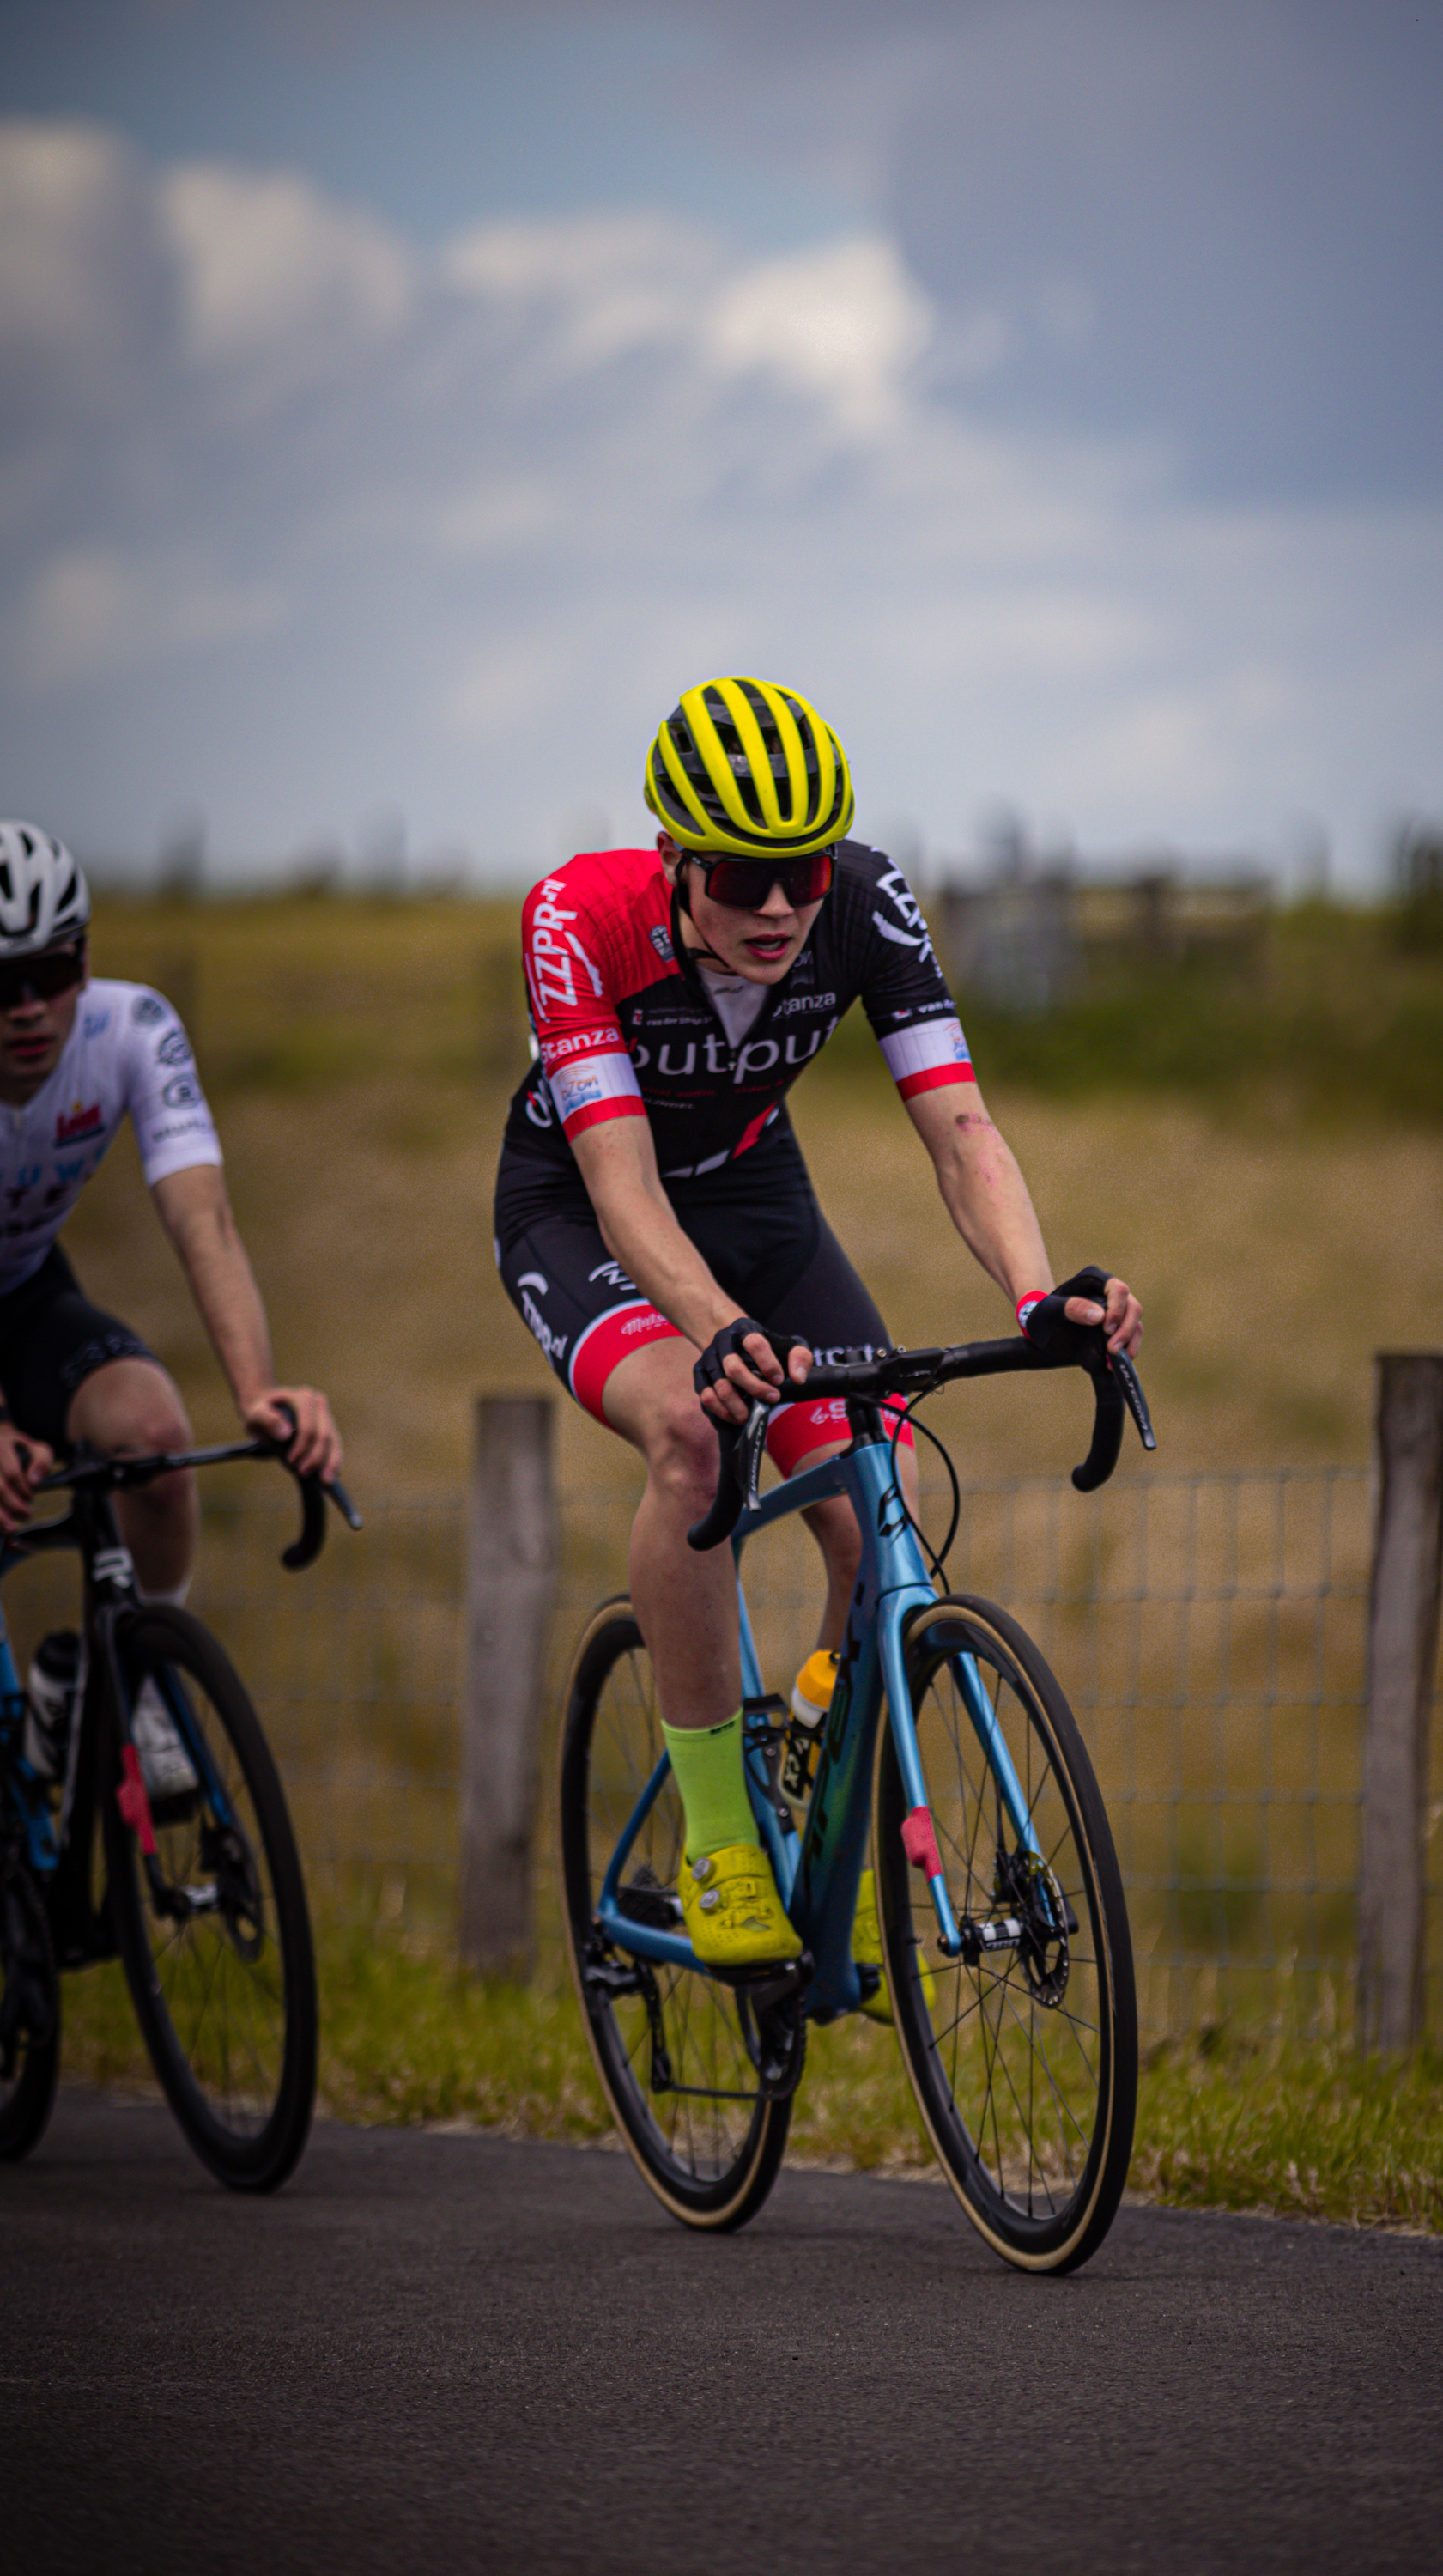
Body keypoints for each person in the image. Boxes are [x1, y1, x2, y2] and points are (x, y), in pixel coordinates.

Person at [494, 678, 1141, 1978]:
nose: (782, 907)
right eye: (743, 877)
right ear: (676, 858)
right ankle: (722, 1837)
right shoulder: (580, 917)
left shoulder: (867, 900)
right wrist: (724, 1334)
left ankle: (818, 1749)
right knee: (693, 1429)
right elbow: (623, 1194)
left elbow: (961, 1129)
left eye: (802, 871)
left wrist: (1034, 1292)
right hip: (583, 1205)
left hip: (753, 1193)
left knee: (880, 1469)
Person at [0, 820, 342, 1789]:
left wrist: (259, 1392)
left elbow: (204, 1223)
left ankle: (142, 1684)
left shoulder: (131, 1029)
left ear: (86, 959)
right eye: (2, 984)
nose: (29, 1008)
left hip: (24, 1288)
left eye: (52, 970)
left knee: (152, 1435)